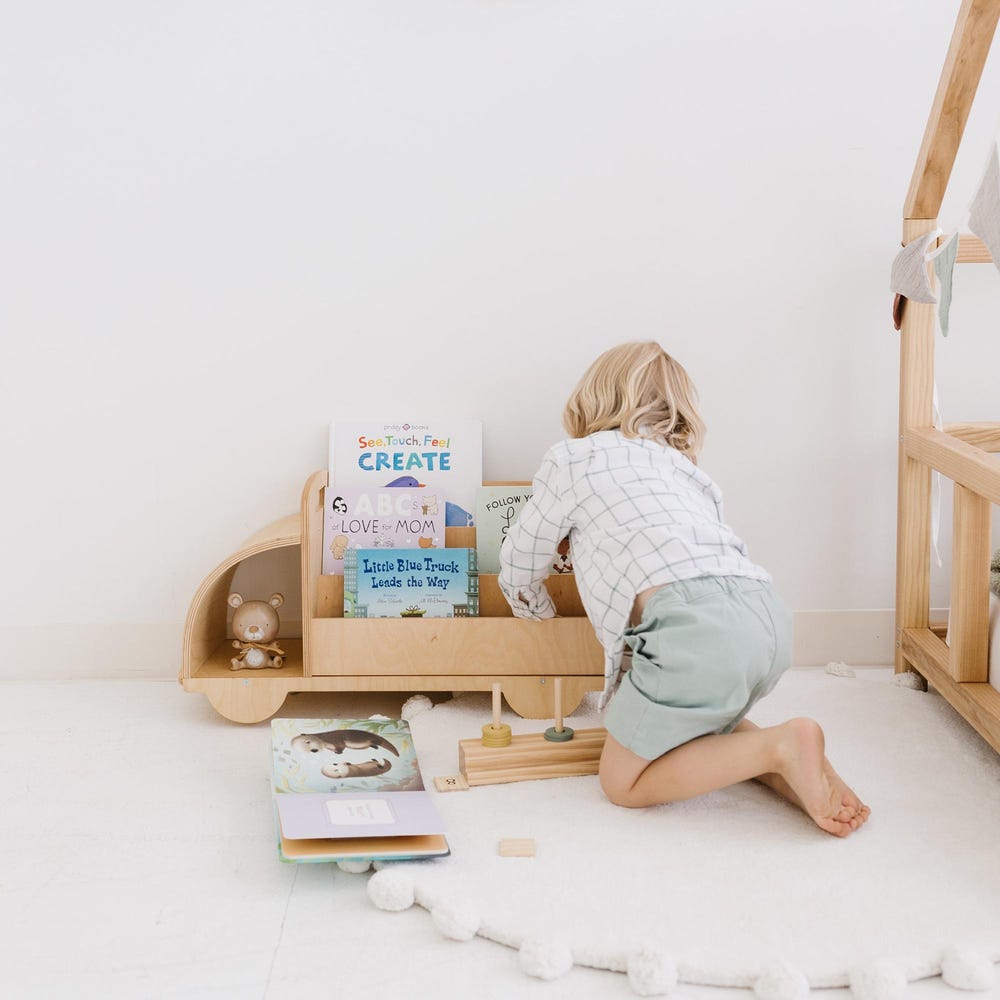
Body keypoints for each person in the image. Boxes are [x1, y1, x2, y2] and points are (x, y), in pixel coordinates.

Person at [498, 341, 870, 837]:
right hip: (764, 614)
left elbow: (523, 556)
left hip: (690, 630)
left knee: (622, 783)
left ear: (590, 398)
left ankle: (779, 746)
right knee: (700, 717)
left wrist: (534, 612)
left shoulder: (571, 458)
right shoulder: (684, 469)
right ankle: (797, 767)